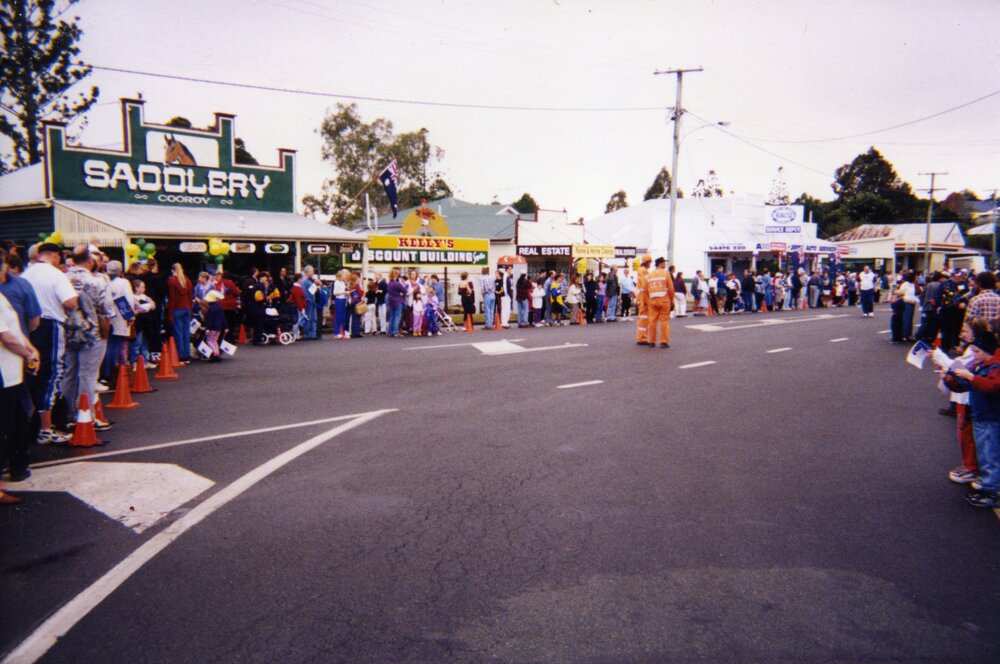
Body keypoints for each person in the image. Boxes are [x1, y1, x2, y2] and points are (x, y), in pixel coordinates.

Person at [21, 243, 78, 444]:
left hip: (28, 326)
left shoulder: (25, 274)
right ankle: (46, 428)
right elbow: (70, 301)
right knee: (52, 373)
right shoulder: (55, 275)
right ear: (55, 255)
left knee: (32, 374)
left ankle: (33, 424)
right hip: (52, 324)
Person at [943, 319, 1000, 508]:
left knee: (990, 455)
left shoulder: (994, 367)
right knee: (984, 453)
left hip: (990, 418)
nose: (974, 355)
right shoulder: (981, 365)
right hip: (981, 416)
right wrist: (951, 379)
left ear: (988, 351)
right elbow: (967, 386)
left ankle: (991, 491)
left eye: (976, 352)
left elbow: (991, 386)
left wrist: (971, 377)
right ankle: (987, 485)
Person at [62, 246, 116, 434]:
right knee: (88, 374)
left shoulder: (63, 277)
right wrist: (106, 331)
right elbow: (107, 308)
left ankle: (67, 415)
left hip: (67, 331)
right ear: (90, 261)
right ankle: (86, 416)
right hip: (92, 333)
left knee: (69, 372)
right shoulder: (98, 281)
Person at [0, 247, 40, 485]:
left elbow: (14, 329)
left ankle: (17, 468)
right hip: (4, 373)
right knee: (6, 425)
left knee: (17, 420)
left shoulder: (3, 296)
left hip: (12, 371)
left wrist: (30, 349)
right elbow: (6, 337)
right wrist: (28, 353)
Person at [105, 260, 134, 376]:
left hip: (107, 317)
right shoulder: (123, 282)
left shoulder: (104, 281)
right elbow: (128, 301)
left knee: (108, 345)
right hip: (120, 316)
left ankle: (105, 372)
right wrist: (130, 317)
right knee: (116, 345)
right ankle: (113, 373)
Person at [644, 257, 676, 348]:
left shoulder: (650, 275)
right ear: (660, 264)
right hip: (664, 299)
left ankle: (651, 341)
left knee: (652, 321)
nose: (665, 264)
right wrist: (672, 299)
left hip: (652, 300)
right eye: (664, 263)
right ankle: (663, 342)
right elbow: (670, 288)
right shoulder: (666, 274)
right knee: (664, 320)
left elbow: (646, 289)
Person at [167, 263, 194, 363]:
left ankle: (181, 354)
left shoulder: (172, 281)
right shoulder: (187, 280)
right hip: (187, 307)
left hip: (177, 308)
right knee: (186, 332)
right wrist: (191, 309)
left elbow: (172, 298)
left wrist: (170, 313)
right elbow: (191, 296)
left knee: (178, 333)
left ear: (173, 270)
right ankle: (187, 354)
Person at [202, 290, 225, 361]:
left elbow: (209, 320)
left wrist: (207, 328)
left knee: (209, 340)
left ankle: (214, 354)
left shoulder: (210, 309)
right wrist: (225, 326)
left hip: (212, 328)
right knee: (214, 341)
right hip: (218, 327)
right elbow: (223, 317)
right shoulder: (219, 307)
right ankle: (217, 353)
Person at [634, 255, 652, 344]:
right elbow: (645, 285)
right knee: (644, 318)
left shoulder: (640, 270)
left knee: (642, 317)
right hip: (644, 297)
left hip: (641, 297)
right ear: (648, 263)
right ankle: (642, 338)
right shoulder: (644, 271)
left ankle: (641, 337)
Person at [386, 267, 407, 337]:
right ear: (396, 275)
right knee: (397, 317)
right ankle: (395, 332)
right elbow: (404, 291)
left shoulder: (389, 283)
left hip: (391, 301)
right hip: (398, 301)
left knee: (392, 316)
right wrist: (400, 293)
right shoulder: (397, 283)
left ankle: (390, 331)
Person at [331, 270, 348, 339]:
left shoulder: (343, 282)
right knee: (338, 316)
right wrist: (344, 292)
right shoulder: (337, 282)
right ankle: (337, 332)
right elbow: (335, 293)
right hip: (338, 300)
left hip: (343, 299)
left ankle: (342, 331)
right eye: (344, 275)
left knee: (343, 316)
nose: (345, 276)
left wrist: (346, 293)